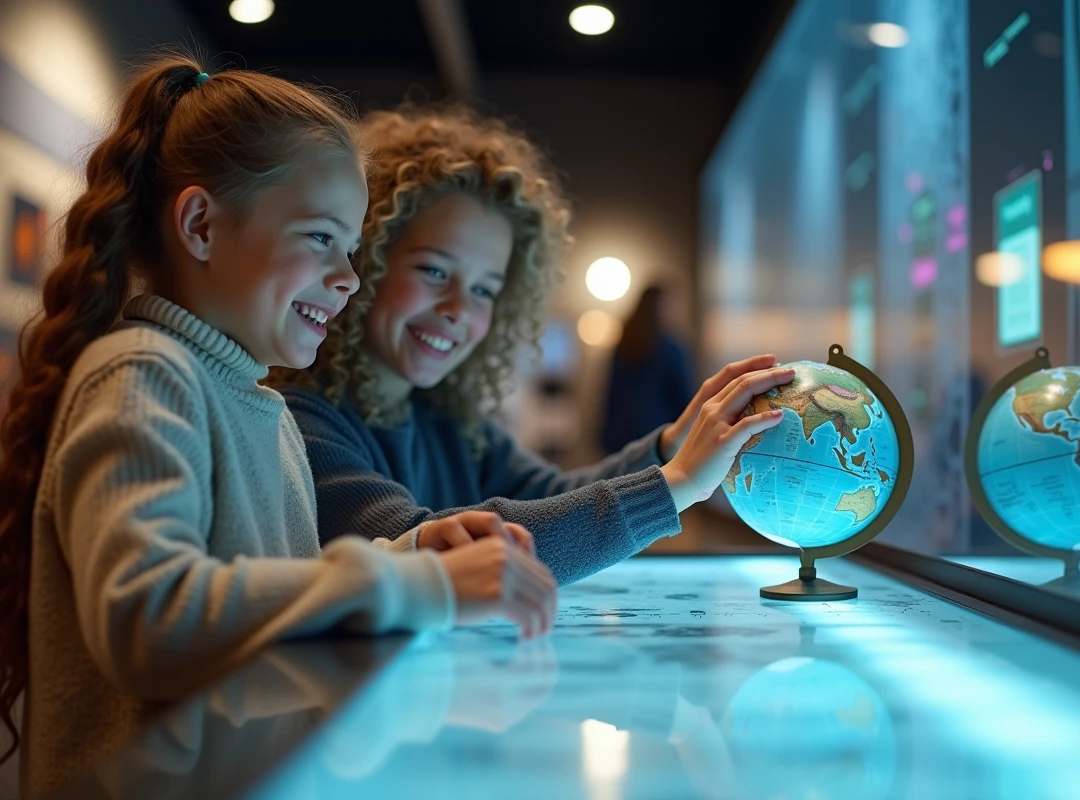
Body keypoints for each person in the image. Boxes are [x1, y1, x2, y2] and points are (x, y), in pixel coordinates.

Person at [0, 58, 555, 796]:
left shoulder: (258, 404)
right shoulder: (141, 374)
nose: (348, 278)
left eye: (352, 250)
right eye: (321, 239)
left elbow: (265, 609)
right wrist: (410, 579)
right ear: (201, 225)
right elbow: (149, 620)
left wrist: (414, 545)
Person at [272, 105, 793, 585]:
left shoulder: (447, 422)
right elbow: (427, 545)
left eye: (484, 290)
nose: (459, 308)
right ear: (364, 259)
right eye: (433, 270)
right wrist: (675, 484)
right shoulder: (300, 424)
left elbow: (550, 497)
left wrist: (670, 446)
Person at [601, 284, 696, 455]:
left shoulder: (624, 344)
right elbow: (683, 396)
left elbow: (611, 393)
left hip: (620, 435)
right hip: (658, 437)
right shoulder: (671, 347)